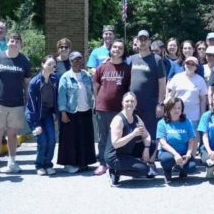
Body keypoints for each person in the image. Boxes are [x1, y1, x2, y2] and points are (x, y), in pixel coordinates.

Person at [0, 32, 32, 176]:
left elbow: (27, 83)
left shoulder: (24, 61)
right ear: (8, 42)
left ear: (20, 45)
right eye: (11, 41)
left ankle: (12, 163)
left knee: (12, 134)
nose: (14, 44)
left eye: (17, 42)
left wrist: (27, 101)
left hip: (17, 103)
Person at [93, 39, 131, 176]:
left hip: (119, 111)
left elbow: (128, 90)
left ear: (123, 51)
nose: (116, 50)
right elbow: (95, 88)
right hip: (102, 108)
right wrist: (97, 103)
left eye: (120, 48)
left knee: (116, 137)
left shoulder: (127, 69)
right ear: (110, 49)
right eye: (114, 47)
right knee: (102, 137)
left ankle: (114, 163)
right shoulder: (102, 67)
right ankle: (103, 163)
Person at [104, 92, 157, 186]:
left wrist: (146, 149)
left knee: (152, 144)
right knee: (144, 170)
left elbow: (146, 136)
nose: (130, 103)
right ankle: (114, 171)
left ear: (136, 103)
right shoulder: (119, 120)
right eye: (127, 101)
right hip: (115, 156)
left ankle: (134, 166)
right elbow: (116, 144)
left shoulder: (136, 118)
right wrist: (133, 134)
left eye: (132, 101)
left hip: (127, 150)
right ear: (122, 103)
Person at [128, 30, 166, 160]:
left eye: (145, 39)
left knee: (151, 135)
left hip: (150, 105)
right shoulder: (131, 60)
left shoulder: (156, 60)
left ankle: (151, 163)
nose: (143, 42)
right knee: (134, 134)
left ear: (149, 42)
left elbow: (162, 83)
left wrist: (160, 104)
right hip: (133, 106)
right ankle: (136, 161)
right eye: (140, 39)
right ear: (136, 42)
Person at [58, 51, 96, 173]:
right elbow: (62, 96)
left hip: (86, 110)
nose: (77, 62)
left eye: (79, 60)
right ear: (70, 62)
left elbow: (93, 91)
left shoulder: (86, 75)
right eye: (74, 60)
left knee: (85, 138)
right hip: (71, 112)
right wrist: (63, 112)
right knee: (70, 139)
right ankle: (69, 164)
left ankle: (83, 163)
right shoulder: (65, 77)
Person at [25, 55, 60, 176]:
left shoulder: (55, 79)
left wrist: (59, 116)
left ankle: (48, 164)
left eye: (54, 65)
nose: (51, 67)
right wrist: (36, 124)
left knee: (52, 140)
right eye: (49, 64)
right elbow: (31, 105)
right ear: (42, 64)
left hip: (47, 114)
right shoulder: (34, 82)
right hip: (34, 116)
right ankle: (39, 165)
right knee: (42, 141)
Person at [157, 98, 197, 183]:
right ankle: (167, 172)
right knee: (166, 159)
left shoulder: (188, 122)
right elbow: (163, 143)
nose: (177, 110)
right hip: (168, 153)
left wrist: (188, 154)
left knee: (192, 166)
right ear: (169, 108)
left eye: (179, 108)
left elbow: (191, 141)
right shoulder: (162, 123)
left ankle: (183, 171)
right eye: (174, 107)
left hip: (184, 153)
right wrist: (175, 154)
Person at [166, 56, 208, 131]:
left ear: (196, 67)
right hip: (176, 115)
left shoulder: (200, 80)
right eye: (188, 63)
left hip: (193, 117)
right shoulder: (176, 77)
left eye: (193, 64)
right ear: (184, 65)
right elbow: (170, 95)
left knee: (192, 140)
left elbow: (203, 100)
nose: (190, 65)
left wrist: (202, 116)